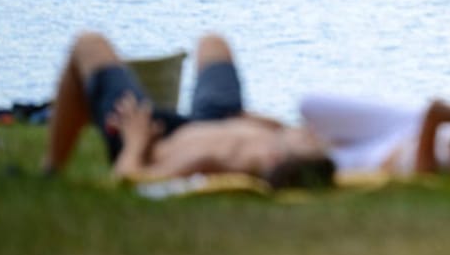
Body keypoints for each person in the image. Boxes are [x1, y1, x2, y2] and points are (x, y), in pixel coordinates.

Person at [43, 32, 335, 189]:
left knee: (89, 45)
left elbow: (130, 178)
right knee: (213, 43)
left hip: (150, 133)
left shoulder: (206, 159)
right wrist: (250, 120)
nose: (311, 132)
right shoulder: (276, 144)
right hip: (221, 120)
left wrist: (133, 141)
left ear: (274, 158)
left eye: (308, 140)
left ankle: (51, 170)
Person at [298, 93, 450, 182]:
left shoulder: (430, 169)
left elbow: (435, 110)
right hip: (404, 122)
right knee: (309, 104)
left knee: (306, 156)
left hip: (382, 155)